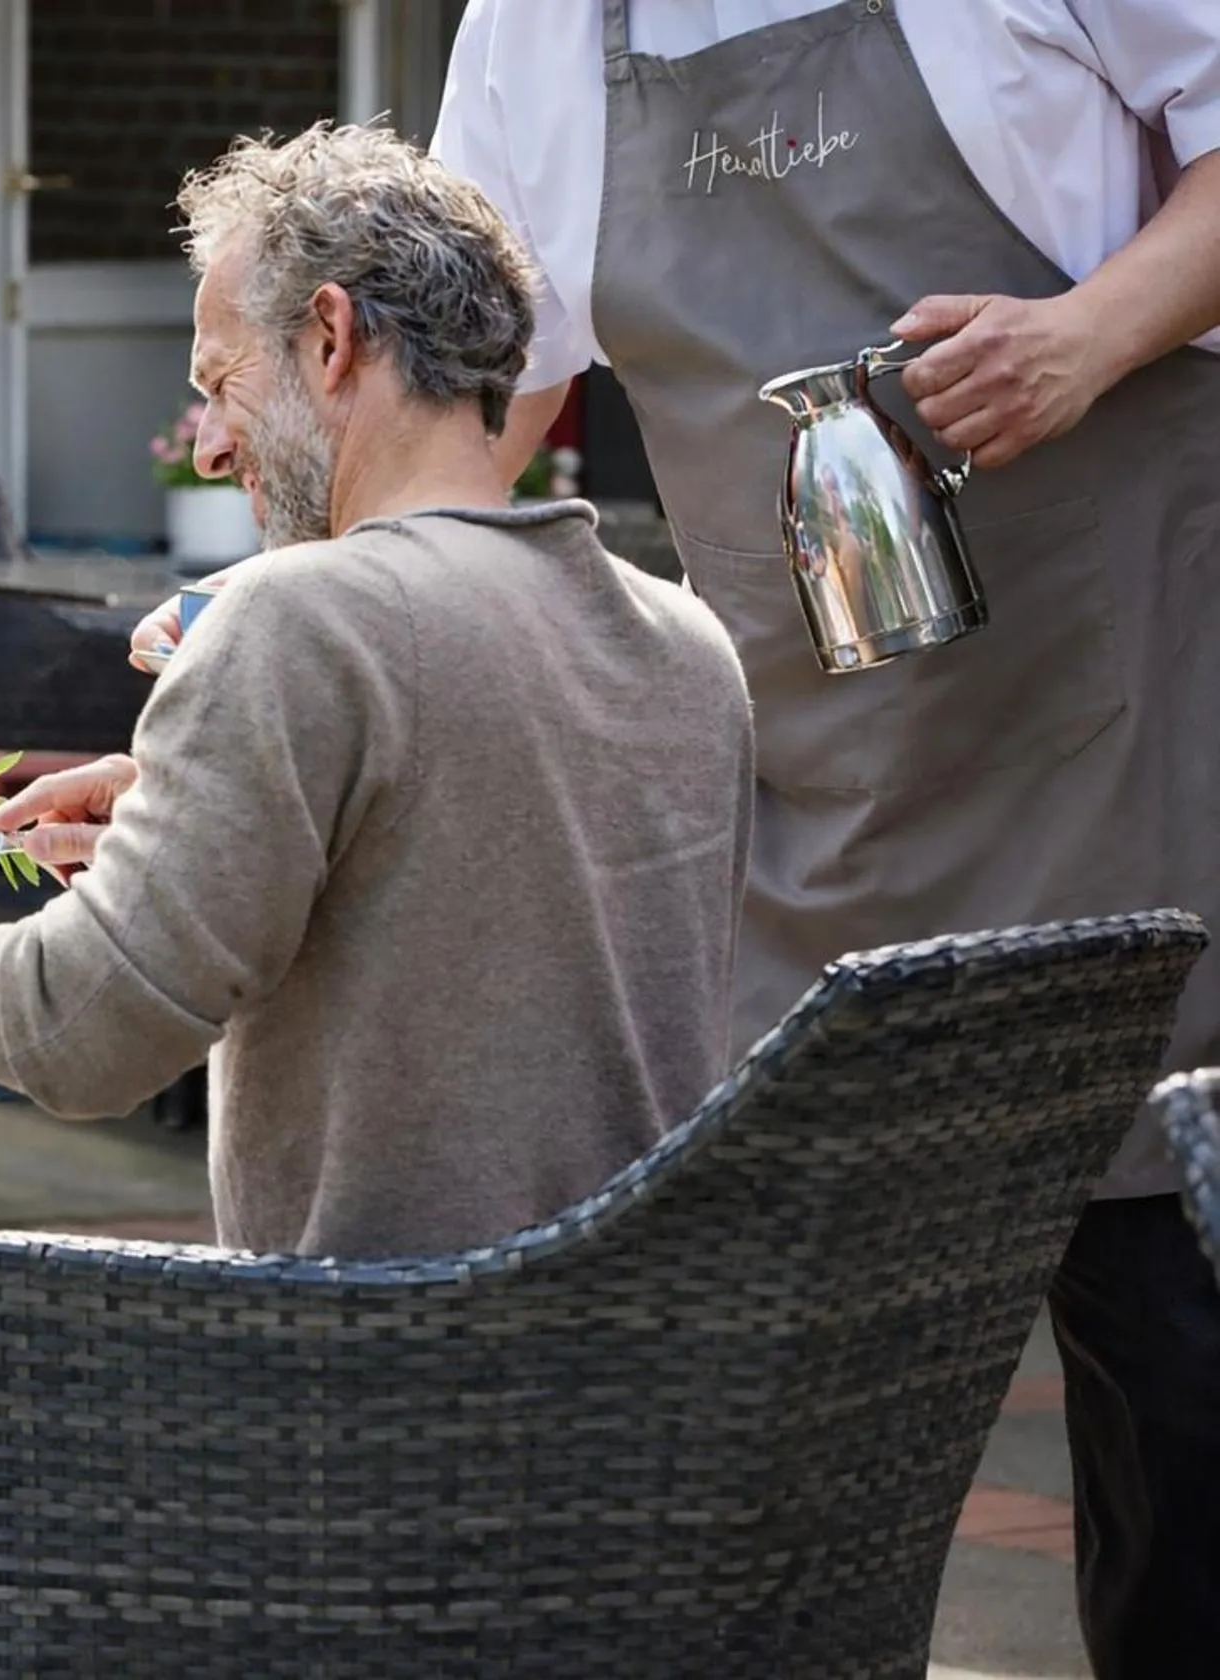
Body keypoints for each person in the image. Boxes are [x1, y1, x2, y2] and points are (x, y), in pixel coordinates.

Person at [0, 123, 755, 1680]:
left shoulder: (299, 621)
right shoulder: (679, 640)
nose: (211, 444)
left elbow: (78, 1041)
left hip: (348, 1406)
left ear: (331, 338)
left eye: (219, 383)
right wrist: (184, 813)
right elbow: (470, 873)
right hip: (627, 1426)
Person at [381, 9, 1215, 1675]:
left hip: (1143, 747)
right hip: (810, 811)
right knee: (772, 1497)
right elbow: (476, 409)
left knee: (1184, 1429)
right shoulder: (544, 26)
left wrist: (1085, 338)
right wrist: (328, 635)